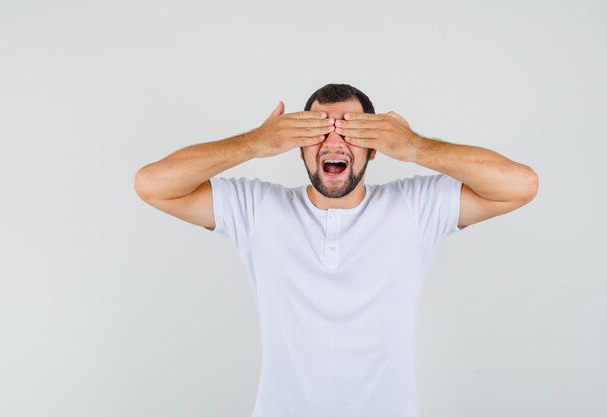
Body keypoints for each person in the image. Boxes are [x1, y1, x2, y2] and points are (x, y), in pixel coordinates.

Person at [134, 83, 539, 417]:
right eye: (317, 132)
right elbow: (152, 184)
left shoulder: (416, 207)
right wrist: (254, 143)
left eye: (353, 132)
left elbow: (521, 185)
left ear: (375, 147)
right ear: (298, 146)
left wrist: (416, 147)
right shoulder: (257, 209)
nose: (334, 142)